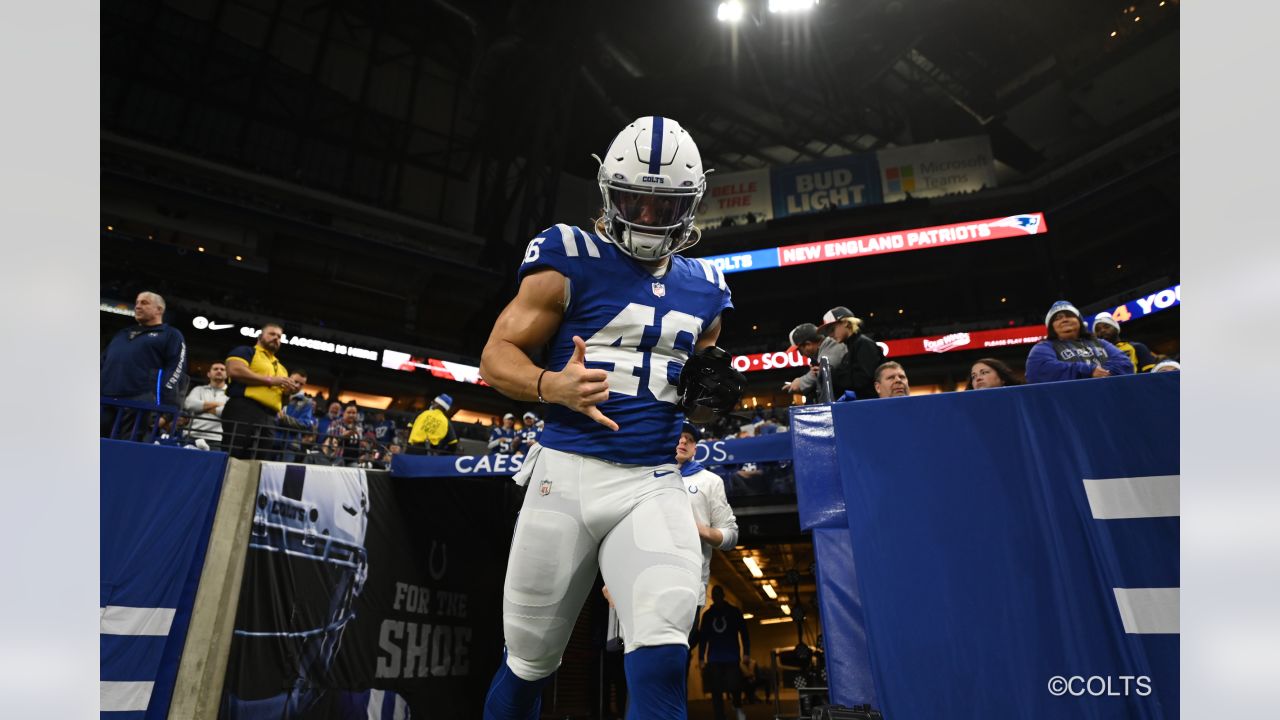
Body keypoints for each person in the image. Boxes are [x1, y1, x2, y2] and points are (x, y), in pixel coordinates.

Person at [478, 116, 742, 720]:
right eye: (633, 200)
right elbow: (495, 358)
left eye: (664, 203)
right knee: (528, 665)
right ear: (607, 193)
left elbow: (699, 377)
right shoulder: (567, 255)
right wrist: (551, 384)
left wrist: (707, 398)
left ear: (691, 203)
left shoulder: (706, 288)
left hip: (652, 483)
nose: (647, 217)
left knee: (662, 656)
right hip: (564, 474)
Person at [676, 423, 739, 656]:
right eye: (678, 436)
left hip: (690, 584)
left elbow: (731, 535)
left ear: (695, 449)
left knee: (678, 655)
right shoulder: (646, 475)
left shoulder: (709, 481)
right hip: (648, 579)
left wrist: (699, 530)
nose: (682, 441)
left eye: (689, 439)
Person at [100, 291, 188, 439]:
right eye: (137, 303)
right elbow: (102, 362)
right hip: (105, 400)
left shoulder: (170, 335)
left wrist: (165, 409)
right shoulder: (122, 333)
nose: (138, 306)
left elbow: (176, 370)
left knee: (126, 451)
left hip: (139, 403)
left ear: (159, 310)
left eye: (144, 303)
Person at [222, 322, 301, 459]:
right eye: (272, 334)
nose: (276, 338)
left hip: (269, 417)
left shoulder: (282, 368)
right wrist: (271, 380)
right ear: (260, 336)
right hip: (244, 408)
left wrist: (287, 393)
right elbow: (234, 370)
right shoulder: (246, 351)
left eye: (279, 336)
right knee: (234, 455)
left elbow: (283, 402)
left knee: (259, 460)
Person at [1026, 301, 1133, 384]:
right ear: (1051, 327)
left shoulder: (1101, 343)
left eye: (1069, 315)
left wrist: (1101, 372)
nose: (1064, 319)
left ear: (1080, 322)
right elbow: (1039, 371)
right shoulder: (1043, 347)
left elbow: (1125, 364)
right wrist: (1089, 371)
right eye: (1058, 318)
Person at [697, 586, 749, 720]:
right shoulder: (708, 615)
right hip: (714, 659)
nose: (716, 597)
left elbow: (744, 633)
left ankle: (737, 706)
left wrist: (746, 653)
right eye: (714, 595)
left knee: (735, 686)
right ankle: (719, 715)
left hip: (731, 657)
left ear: (723, 595)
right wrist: (701, 658)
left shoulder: (734, 612)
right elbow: (703, 637)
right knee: (716, 690)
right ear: (712, 597)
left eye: (718, 594)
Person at [819, 306, 885, 401]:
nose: (830, 335)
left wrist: (830, 374)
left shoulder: (863, 343)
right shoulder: (852, 347)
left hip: (871, 405)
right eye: (827, 332)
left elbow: (862, 381)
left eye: (832, 329)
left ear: (845, 323)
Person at [782, 322, 846, 402]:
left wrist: (801, 382)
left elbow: (826, 371)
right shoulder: (820, 354)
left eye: (799, 350)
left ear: (808, 344)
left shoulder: (832, 345)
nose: (801, 354)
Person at [1091, 312, 1158, 373]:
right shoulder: (1097, 356)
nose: (1102, 330)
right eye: (1098, 330)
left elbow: (1150, 372)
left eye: (1106, 327)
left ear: (1116, 328)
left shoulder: (1137, 347)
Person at [183, 362, 229, 448]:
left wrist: (201, 407)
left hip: (217, 439)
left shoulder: (231, 394)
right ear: (208, 374)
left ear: (227, 375)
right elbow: (189, 405)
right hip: (192, 435)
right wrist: (217, 404)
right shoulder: (198, 389)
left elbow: (228, 413)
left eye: (222, 369)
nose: (219, 371)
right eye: (215, 369)